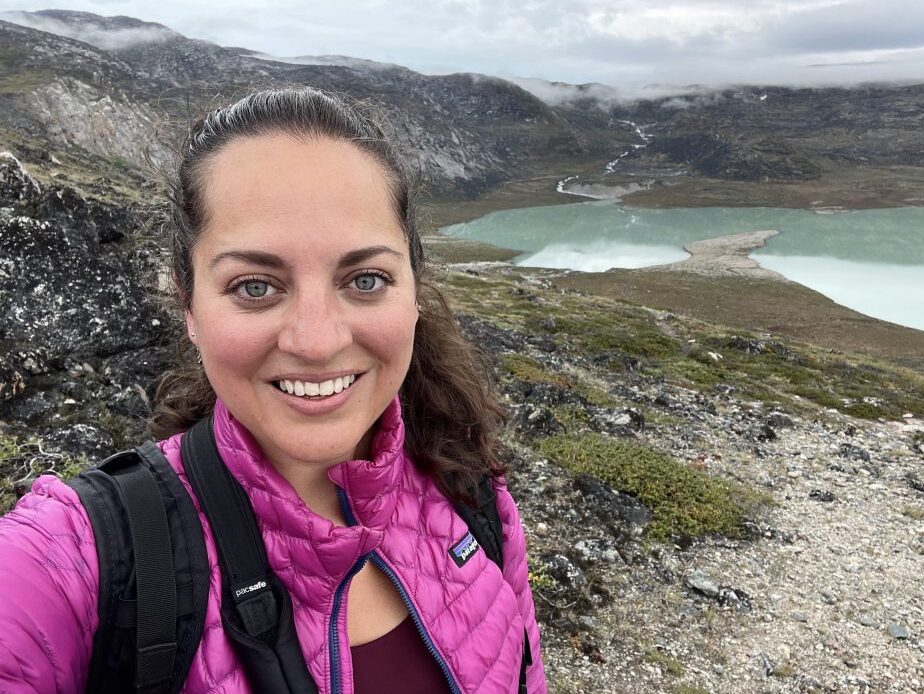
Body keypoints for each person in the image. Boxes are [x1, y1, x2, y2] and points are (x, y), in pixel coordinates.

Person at [0, 87, 546, 693]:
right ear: (189, 307)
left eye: (365, 279)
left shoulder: (470, 489)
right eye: (255, 287)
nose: (315, 341)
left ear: (414, 291)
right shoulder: (91, 551)